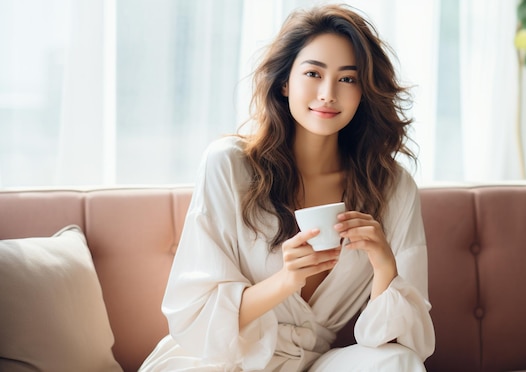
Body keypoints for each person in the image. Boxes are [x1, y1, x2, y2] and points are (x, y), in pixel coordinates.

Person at [139, 3, 435, 371]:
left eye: (347, 79)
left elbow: (399, 344)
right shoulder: (228, 166)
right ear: (284, 82)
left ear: (364, 91)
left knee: (397, 363)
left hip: (315, 363)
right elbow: (195, 320)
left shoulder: (392, 187)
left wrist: (384, 267)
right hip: (223, 360)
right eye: (313, 73)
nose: (328, 93)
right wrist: (286, 279)